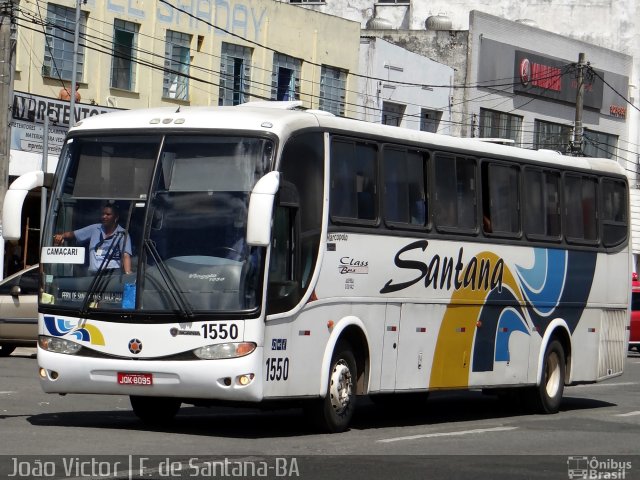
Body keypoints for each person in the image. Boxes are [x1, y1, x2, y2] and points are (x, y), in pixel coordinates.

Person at [54, 203, 132, 274]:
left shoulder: (123, 234)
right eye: (103, 214)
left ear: (116, 217)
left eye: (108, 214)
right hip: (93, 278)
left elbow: (125, 256)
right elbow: (73, 234)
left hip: (112, 276)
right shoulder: (94, 229)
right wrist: (62, 236)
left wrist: (127, 273)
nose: (104, 217)